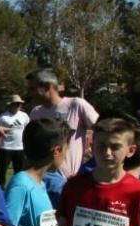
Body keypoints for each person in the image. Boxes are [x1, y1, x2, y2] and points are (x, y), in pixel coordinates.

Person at [28, 68, 99, 204]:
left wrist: (92, 161)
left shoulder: (76, 105)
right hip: (41, 180)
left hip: (71, 181)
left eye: (33, 89)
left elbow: (103, 130)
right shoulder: (36, 113)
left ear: (48, 87)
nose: (30, 94)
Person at [0, 95, 30, 187]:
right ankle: (0, 189)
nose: (18, 106)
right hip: (6, 148)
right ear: (11, 105)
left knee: (20, 172)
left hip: (20, 148)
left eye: (20, 104)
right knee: (2, 171)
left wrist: (28, 145)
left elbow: (28, 131)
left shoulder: (24, 116)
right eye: (16, 104)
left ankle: (19, 187)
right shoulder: (3, 117)